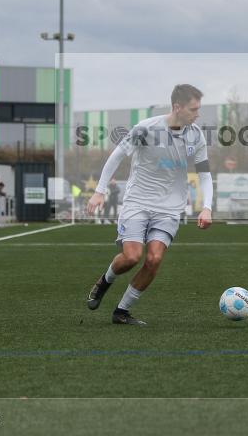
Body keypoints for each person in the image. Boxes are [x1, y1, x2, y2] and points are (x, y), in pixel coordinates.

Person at [85, 84, 214, 325]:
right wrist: (99, 191)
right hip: (138, 202)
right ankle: (105, 280)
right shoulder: (146, 128)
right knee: (132, 257)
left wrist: (207, 206)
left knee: (154, 259)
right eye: (193, 109)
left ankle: (121, 311)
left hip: (170, 208)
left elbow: (204, 173)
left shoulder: (196, 135)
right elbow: (117, 156)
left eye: (198, 109)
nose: (197, 114)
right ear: (177, 107)